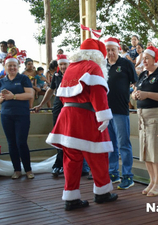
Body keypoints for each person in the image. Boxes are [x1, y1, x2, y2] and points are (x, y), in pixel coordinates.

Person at [46, 38, 118, 211]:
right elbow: (98, 94)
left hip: (67, 117)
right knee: (98, 156)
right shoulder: (93, 67)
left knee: (71, 159)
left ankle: (71, 198)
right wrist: (104, 116)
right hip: (86, 117)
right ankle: (102, 193)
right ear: (97, 55)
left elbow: (62, 97)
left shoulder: (70, 68)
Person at [131, 46, 158, 196]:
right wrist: (135, 95)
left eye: (147, 58)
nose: (144, 61)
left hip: (156, 115)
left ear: (155, 59)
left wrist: (147, 94)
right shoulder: (143, 75)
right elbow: (136, 90)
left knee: (156, 151)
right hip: (143, 117)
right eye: (143, 58)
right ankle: (152, 180)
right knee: (146, 151)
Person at [104, 37, 138, 190]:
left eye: (113, 50)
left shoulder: (126, 64)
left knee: (124, 144)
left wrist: (136, 94)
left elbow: (136, 82)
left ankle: (127, 176)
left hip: (120, 110)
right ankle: (113, 173)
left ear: (118, 50)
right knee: (110, 144)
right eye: (108, 50)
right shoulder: (102, 65)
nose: (110, 53)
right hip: (105, 111)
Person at [0, 56, 34, 179]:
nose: (12, 67)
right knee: (11, 143)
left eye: (14, 65)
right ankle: (17, 170)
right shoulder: (1, 81)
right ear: (5, 67)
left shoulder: (23, 78)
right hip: (6, 115)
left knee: (21, 142)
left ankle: (28, 170)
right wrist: (3, 97)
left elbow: (30, 94)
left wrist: (14, 96)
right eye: (9, 65)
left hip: (22, 115)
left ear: (18, 67)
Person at [33, 54, 69, 177]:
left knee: (70, 136)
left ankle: (69, 165)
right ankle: (59, 164)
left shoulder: (75, 74)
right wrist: (41, 105)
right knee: (58, 135)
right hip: (59, 105)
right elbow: (50, 90)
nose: (63, 66)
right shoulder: (56, 75)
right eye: (61, 64)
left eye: (65, 64)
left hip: (71, 106)